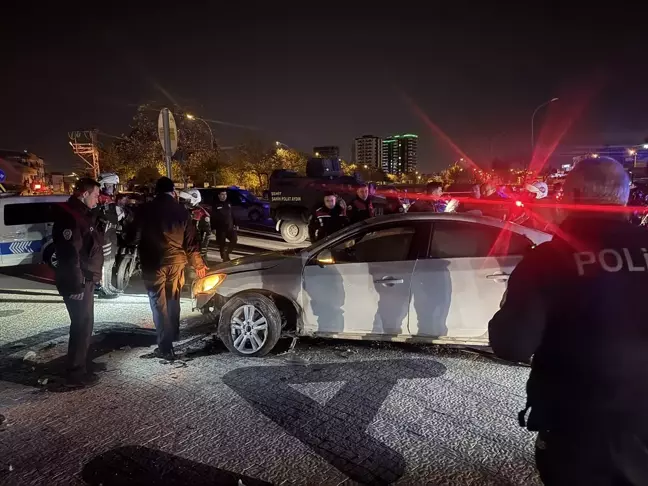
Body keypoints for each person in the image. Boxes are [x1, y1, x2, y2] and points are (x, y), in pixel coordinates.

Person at [489, 156, 648, 485]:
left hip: (576, 424)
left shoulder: (547, 261)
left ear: (572, 197)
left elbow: (512, 345)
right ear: (624, 195)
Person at [131, 177, 207, 360]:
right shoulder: (181, 210)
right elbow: (191, 242)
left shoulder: (145, 209)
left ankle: (165, 347)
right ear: (173, 192)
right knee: (173, 298)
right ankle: (174, 333)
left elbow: (133, 236)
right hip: (177, 263)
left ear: (156, 191)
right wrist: (198, 264)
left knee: (158, 303)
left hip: (154, 263)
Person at [52, 177, 103, 388]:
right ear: (84, 193)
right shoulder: (70, 218)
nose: (98, 200)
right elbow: (70, 256)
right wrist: (75, 286)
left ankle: (79, 367)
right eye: (96, 195)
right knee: (81, 325)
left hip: (86, 280)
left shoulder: (82, 215)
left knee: (85, 324)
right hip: (78, 282)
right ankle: (75, 372)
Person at [94, 172, 122, 298]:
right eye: (110, 185)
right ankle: (102, 287)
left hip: (111, 233)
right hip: (104, 235)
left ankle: (108, 284)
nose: (112, 188)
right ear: (102, 185)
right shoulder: (99, 200)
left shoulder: (109, 200)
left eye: (113, 186)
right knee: (105, 262)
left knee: (110, 261)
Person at [178, 188, 211, 261]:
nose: (182, 202)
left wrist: (202, 252)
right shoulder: (182, 211)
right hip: (182, 248)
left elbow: (206, 234)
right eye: (181, 200)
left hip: (195, 249)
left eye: (185, 200)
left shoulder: (201, 213)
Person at [211, 188, 238, 261]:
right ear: (219, 195)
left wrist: (236, 224)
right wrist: (213, 228)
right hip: (220, 229)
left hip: (230, 227)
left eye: (225, 194)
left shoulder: (228, 203)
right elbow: (213, 217)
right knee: (222, 245)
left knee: (234, 239)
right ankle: (225, 258)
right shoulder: (215, 204)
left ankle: (227, 253)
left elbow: (232, 214)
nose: (224, 196)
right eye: (222, 194)